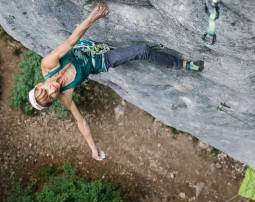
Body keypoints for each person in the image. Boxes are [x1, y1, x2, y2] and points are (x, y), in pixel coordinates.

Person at [28, 3, 204, 161]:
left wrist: (92, 17)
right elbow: (81, 122)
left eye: (46, 90)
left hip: (87, 46)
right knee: (142, 50)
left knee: (142, 48)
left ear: (39, 85)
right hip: (103, 59)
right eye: (51, 97)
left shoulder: (49, 64)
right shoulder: (64, 95)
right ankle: (182, 64)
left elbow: (70, 41)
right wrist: (93, 149)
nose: (53, 91)